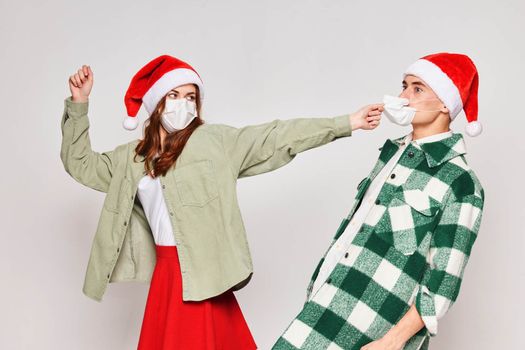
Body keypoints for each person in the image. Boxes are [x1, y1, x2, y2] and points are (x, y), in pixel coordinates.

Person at [60, 54, 383, 349]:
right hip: (168, 275)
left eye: (190, 98)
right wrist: (79, 104)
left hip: (206, 273)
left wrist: (346, 123)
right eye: (174, 96)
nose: (183, 105)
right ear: (156, 102)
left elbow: (276, 136)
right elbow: (81, 165)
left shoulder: (216, 142)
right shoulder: (133, 159)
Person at [272, 52, 485, 350]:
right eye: (404, 85)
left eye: (417, 88)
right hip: (327, 302)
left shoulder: (460, 182)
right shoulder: (392, 154)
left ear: (444, 104)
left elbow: (443, 280)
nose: (402, 96)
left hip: (375, 331)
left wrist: (392, 342)